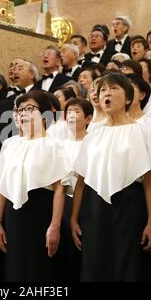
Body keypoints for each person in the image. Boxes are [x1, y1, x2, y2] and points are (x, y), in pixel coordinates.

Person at [71, 73, 151, 281]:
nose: (107, 93)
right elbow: (81, 183)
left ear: (128, 98)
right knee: (94, 265)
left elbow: (149, 182)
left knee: (126, 266)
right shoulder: (91, 136)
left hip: (129, 206)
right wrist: (74, 219)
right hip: (93, 208)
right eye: (103, 90)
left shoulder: (141, 132)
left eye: (114, 88)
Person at [0, 90, 73, 281]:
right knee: (15, 269)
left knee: (40, 269)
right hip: (14, 215)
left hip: (41, 212)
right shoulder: (10, 144)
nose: (23, 114)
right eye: (19, 110)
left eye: (30, 109)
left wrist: (54, 225)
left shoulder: (55, 145)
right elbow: (2, 187)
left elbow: (59, 189)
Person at [58, 98, 93, 281]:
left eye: (77, 111)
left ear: (88, 119)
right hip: (61, 200)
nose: (72, 115)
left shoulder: (93, 142)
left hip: (86, 200)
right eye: (69, 111)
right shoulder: (59, 144)